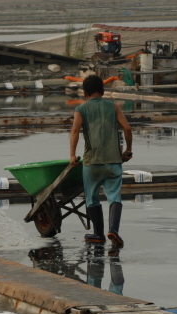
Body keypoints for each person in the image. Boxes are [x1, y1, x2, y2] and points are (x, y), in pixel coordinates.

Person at [70, 75, 132, 247]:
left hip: (92, 163)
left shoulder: (81, 109)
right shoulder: (113, 106)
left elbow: (75, 131)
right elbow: (127, 128)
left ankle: (98, 234)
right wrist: (128, 150)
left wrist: (72, 156)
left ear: (85, 93)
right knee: (114, 197)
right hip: (113, 161)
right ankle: (113, 230)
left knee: (91, 198)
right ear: (103, 91)